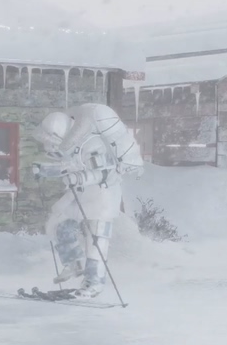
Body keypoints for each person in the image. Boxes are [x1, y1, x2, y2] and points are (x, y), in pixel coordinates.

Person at [30, 103, 144, 298]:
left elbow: (107, 173)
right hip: (82, 194)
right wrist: (45, 171)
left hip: (103, 195)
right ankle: (73, 263)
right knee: (59, 222)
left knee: (96, 240)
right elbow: (67, 168)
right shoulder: (70, 147)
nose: (48, 145)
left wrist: (79, 178)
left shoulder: (91, 144)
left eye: (50, 139)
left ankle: (94, 283)